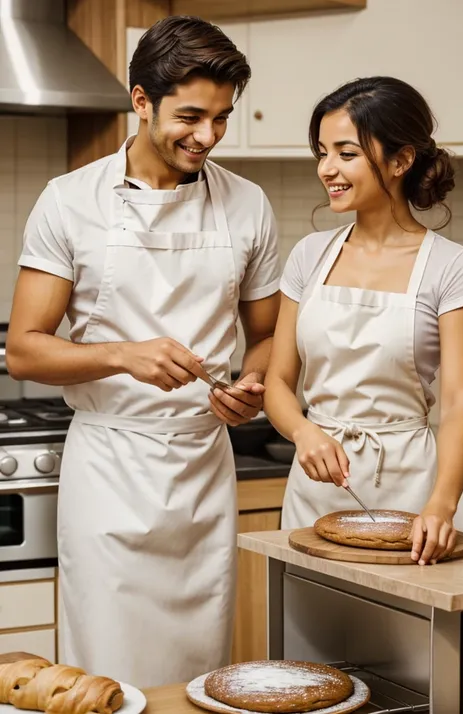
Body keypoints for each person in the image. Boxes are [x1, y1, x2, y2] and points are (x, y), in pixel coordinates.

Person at [6, 16, 280, 688]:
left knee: (200, 675)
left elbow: (270, 338)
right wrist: (124, 356)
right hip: (110, 469)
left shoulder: (248, 205)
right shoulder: (69, 203)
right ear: (140, 100)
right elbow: (24, 351)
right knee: (108, 673)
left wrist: (250, 386)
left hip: (201, 466)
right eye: (190, 116)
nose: (208, 136)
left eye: (222, 118)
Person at [264, 76, 463, 567]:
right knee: (304, 639)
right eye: (322, 153)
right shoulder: (309, 255)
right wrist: (303, 432)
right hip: (312, 490)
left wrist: (442, 505)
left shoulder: (453, 267)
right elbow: (277, 382)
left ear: (401, 161)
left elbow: (462, 399)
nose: (327, 169)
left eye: (346, 153)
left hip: (414, 493)